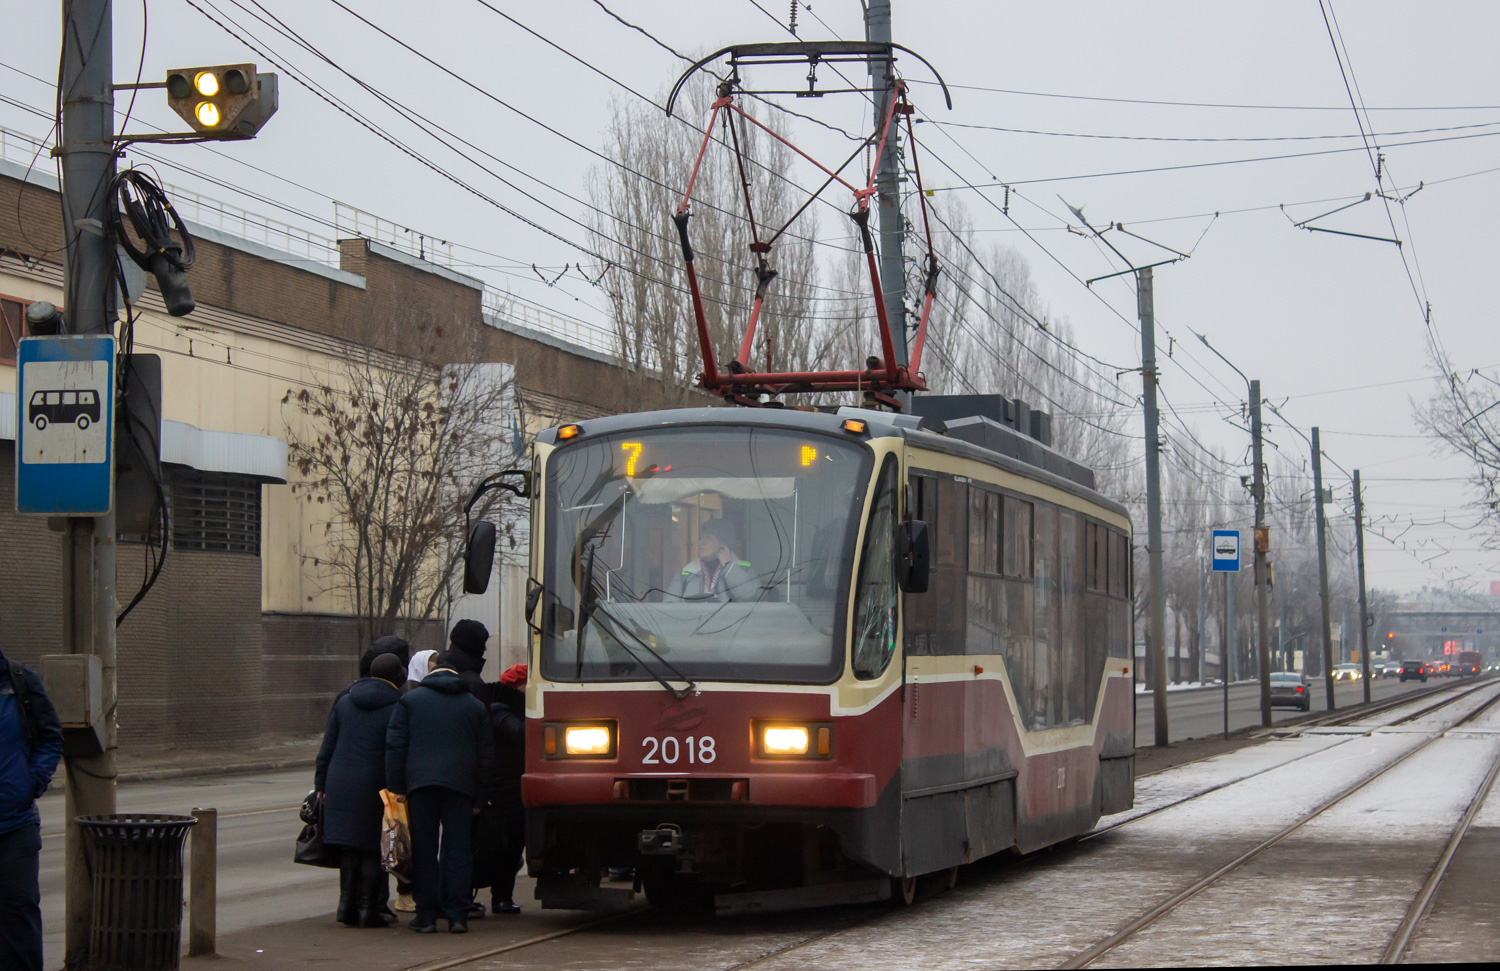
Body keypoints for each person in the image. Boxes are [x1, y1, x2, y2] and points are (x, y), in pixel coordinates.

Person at [386, 651, 494, 934]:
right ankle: (457, 915)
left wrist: (397, 788)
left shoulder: (409, 701)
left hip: (420, 786)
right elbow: (486, 756)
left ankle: (426, 916)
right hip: (460, 787)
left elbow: (396, 747)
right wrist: (479, 797)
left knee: (424, 849)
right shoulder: (475, 706)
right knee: (458, 850)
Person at [315, 653, 405, 928]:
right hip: (377, 783)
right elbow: (395, 749)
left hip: (340, 780)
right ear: (396, 677)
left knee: (350, 847)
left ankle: (346, 907)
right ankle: (368, 910)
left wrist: (321, 783)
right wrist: (398, 786)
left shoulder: (345, 701)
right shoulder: (398, 706)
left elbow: (328, 745)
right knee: (373, 847)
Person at [0, 648, 63, 971]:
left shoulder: (20, 682)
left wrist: (32, 782)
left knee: (18, 925)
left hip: (14, 828)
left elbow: (51, 738)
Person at [480, 664, 527, 915]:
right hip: (505, 790)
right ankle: (501, 897)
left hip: (507, 787)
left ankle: (502, 896)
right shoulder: (501, 711)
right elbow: (518, 733)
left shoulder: (503, 708)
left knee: (510, 845)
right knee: (507, 846)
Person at [668, 518, 758, 602]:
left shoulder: (745, 569)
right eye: (700, 538)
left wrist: (728, 566)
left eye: (708, 538)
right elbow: (668, 608)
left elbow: (748, 596)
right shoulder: (685, 574)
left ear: (724, 542)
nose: (700, 542)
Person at [445, 620, 496, 706]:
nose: (485, 648)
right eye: (482, 644)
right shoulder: (475, 685)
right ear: (474, 645)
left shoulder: (434, 673)